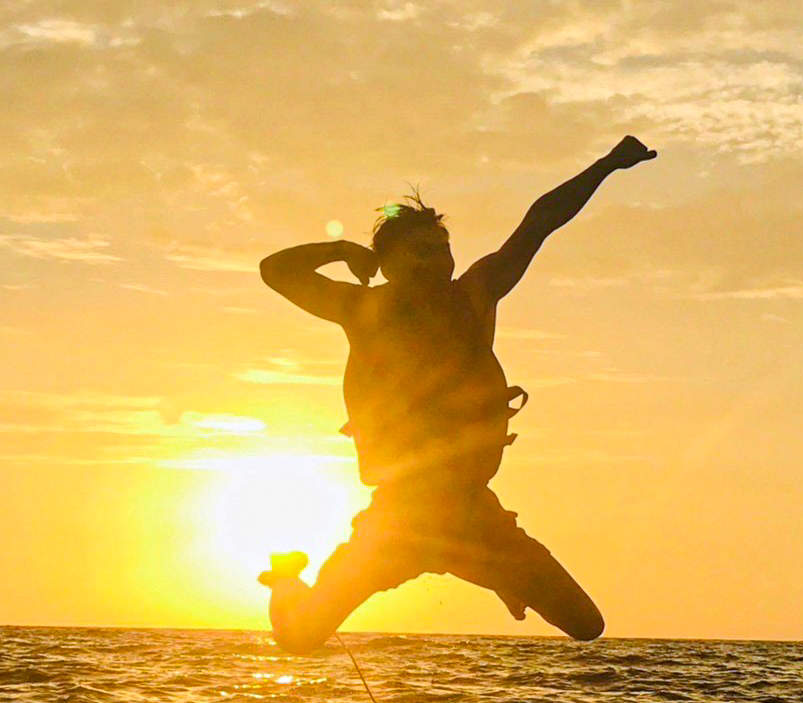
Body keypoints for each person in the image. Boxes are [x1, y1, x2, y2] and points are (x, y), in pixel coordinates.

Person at [255, 135, 657, 654]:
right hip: (396, 520)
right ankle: (286, 577)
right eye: (421, 252)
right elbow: (275, 271)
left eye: (443, 250)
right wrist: (338, 250)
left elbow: (539, 222)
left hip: (475, 518)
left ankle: (495, 574)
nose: (437, 262)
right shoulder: (361, 310)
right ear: (388, 263)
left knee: (586, 624)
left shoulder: (475, 293)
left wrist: (605, 165)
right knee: (299, 639)